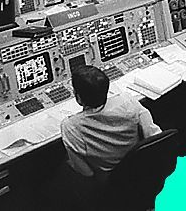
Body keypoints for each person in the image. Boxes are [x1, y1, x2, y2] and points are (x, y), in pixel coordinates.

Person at [57, 66, 162, 205]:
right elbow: (154, 134)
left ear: (78, 98)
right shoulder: (128, 101)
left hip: (110, 181)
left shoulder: (71, 126)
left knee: (59, 170)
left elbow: (86, 173)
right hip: (140, 170)